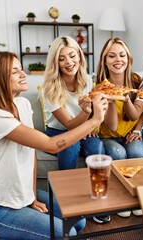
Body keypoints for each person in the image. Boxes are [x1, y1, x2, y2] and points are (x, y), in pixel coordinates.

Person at [0, 51, 108, 239]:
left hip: (20, 195)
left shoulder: (22, 104)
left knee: (78, 222)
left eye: (21, 69)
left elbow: (30, 152)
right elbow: (51, 145)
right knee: (67, 234)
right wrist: (95, 119)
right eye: (15, 71)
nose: (23, 74)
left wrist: (31, 196)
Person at [94, 38, 143, 221]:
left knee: (139, 152)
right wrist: (111, 99)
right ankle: (121, 200)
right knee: (117, 152)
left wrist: (138, 130)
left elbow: (141, 113)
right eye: (112, 56)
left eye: (122, 55)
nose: (118, 60)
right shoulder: (100, 87)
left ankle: (139, 198)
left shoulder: (136, 81)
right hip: (108, 135)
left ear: (129, 59)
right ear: (104, 60)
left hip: (130, 134)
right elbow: (112, 126)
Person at [41, 36, 104, 170]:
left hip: (82, 128)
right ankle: (65, 189)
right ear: (55, 63)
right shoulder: (49, 88)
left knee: (96, 148)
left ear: (79, 56)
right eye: (61, 59)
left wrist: (89, 127)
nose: (69, 62)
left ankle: (97, 187)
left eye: (72, 56)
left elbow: (93, 115)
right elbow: (69, 125)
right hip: (56, 132)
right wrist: (85, 113)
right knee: (71, 146)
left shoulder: (87, 80)